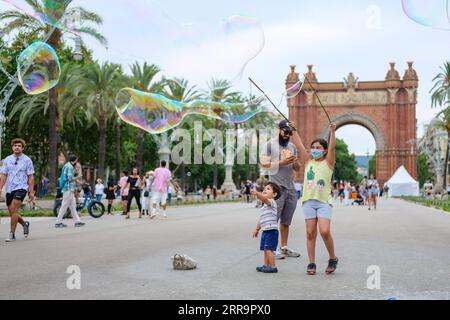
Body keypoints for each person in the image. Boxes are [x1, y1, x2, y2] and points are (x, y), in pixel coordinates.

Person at [290, 121, 339, 275]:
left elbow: (332, 147)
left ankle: (332, 258)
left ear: (324, 151)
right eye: (313, 147)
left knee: (324, 231)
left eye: (318, 148)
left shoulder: (329, 163)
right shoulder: (308, 161)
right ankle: (311, 263)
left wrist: (332, 131)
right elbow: (298, 144)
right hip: (308, 202)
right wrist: (294, 130)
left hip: (323, 202)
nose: (315, 150)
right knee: (310, 233)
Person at [260, 120, 302, 259]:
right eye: (285, 131)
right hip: (276, 187)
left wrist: (295, 162)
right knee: (273, 219)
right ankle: (272, 248)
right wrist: (281, 162)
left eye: (290, 132)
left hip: (290, 187)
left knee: (286, 220)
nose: (287, 135)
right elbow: (264, 163)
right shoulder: (269, 145)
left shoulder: (292, 146)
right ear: (279, 130)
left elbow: (297, 168)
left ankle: (283, 247)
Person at [0, 139, 34, 242]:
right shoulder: (7, 160)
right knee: (12, 212)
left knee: (14, 209)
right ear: (12, 147)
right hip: (10, 188)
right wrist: (0, 188)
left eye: (19, 145)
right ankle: (24, 224)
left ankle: (12, 234)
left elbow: (31, 177)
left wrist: (31, 191)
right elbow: (4, 175)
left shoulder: (27, 160)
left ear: (22, 148)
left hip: (22, 187)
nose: (17, 147)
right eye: (15, 145)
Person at [251, 182, 282, 274]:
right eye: (264, 188)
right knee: (265, 249)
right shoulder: (264, 206)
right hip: (265, 230)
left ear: (274, 194)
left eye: (268, 189)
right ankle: (266, 265)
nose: (265, 190)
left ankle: (273, 266)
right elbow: (261, 218)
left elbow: (264, 199)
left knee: (269, 249)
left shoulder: (271, 202)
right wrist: (257, 229)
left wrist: (257, 193)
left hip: (272, 231)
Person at [55, 155, 85, 228]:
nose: (76, 162)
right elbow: (69, 178)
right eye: (76, 161)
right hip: (68, 189)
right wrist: (79, 176)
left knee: (72, 206)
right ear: (75, 160)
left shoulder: (66, 165)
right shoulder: (70, 167)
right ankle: (58, 222)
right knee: (64, 205)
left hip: (69, 189)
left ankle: (77, 221)